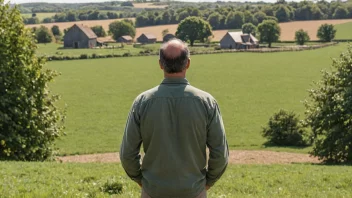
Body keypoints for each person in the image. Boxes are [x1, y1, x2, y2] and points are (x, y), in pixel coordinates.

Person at [120, 39, 229, 198]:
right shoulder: (207, 102)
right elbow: (220, 153)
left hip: (153, 191)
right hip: (194, 191)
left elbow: (127, 154)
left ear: (160, 64)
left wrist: (142, 181)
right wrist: (207, 183)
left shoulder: (142, 102)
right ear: (188, 63)